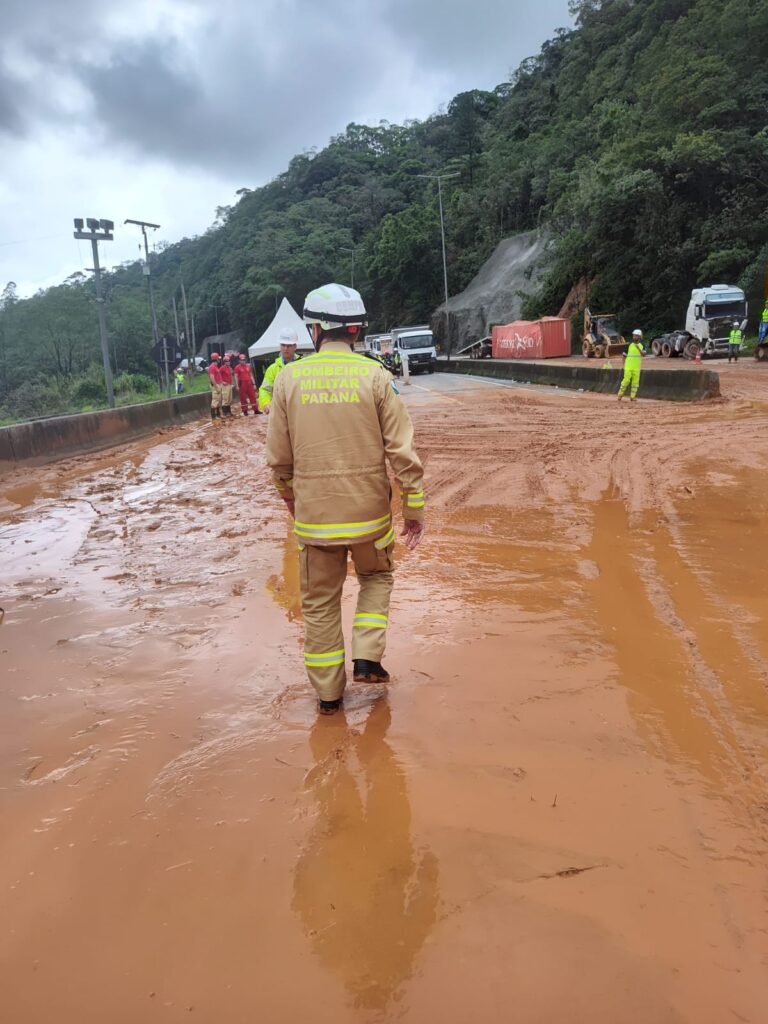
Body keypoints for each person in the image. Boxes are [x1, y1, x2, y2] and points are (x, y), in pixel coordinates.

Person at [266, 283, 426, 716]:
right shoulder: (376, 377)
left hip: (315, 520)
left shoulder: (287, 379)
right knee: (375, 579)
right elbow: (402, 452)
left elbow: (279, 459)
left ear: (314, 329)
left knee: (319, 603)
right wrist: (413, 507)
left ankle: (329, 697)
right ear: (355, 330)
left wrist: (290, 499)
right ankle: (367, 657)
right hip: (369, 518)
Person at [259, 328, 302, 413]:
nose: (286, 348)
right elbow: (265, 389)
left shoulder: (303, 365)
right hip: (280, 411)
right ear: (280, 346)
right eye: (283, 345)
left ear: (295, 346)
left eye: (289, 345)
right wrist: (266, 403)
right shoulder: (272, 369)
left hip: (300, 411)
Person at [618, 329, 645, 402]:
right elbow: (623, 356)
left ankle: (632, 397)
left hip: (637, 367)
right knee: (626, 380)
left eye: (636, 336)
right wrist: (623, 365)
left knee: (635, 383)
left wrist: (638, 348)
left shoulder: (642, 345)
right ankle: (620, 394)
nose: (634, 337)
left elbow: (643, 355)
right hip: (628, 366)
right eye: (634, 335)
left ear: (639, 337)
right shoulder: (629, 345)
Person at [207, 352, 223, 422]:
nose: (219, 360)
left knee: (218, 400)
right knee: (215, 400)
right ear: (216, 359)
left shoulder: (215, 367)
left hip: (218, 384)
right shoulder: (212, 367)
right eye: (218, 359)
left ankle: (218, 415)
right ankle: (213, 416)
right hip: (216, 385)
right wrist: (216, 387)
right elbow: (212, 378)